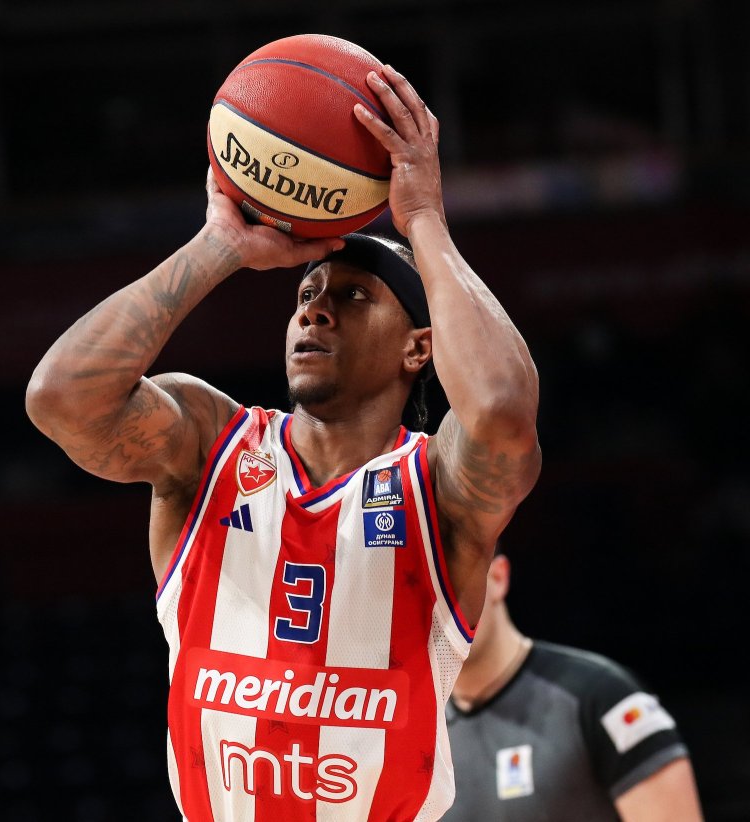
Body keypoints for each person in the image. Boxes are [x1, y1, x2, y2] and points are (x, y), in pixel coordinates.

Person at [26, 64, 541, 820]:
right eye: (306, 295)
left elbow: (499, 407)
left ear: (418, 348)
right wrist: (219, 244)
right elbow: (60, 399)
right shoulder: (209, 443)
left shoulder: (439, 488)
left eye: (353, 297)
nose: (314, 312)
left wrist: (425, 220)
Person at [443, 550, 705, 821]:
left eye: (447, 585)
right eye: (422, 596)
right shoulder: (421, 730)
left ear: (497, 578)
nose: (436, 612)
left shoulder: (603, 698)